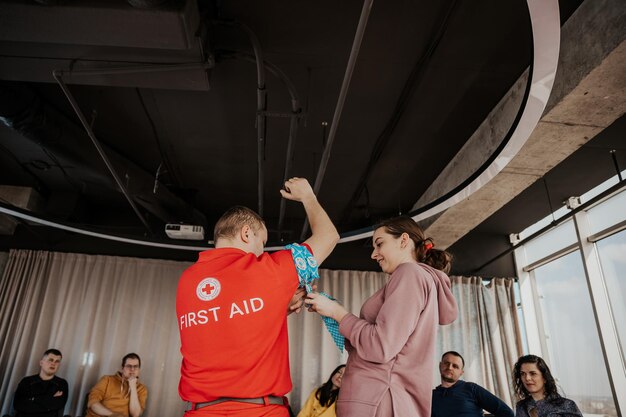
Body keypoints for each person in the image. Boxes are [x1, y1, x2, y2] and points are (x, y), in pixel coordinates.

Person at [177, 177, 339, 416]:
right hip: (259, 411)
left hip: (199, 411)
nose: (262, 251)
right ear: (245, 233)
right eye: (261, 242)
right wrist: (308, 196)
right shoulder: (268, 269)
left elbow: (223, 324)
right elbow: (329, 236)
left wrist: (274, 309)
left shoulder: (187, 280)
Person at [306, 216, 458, 417]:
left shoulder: (409, 273)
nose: (373, 254)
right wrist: (332, 312)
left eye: (379, 244)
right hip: (382, 398)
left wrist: (337, 312)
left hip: (378, 399)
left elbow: (380, 346)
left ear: (404, 240)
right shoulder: (416, 279)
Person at [431, 351, 514, 417]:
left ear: (461, 372)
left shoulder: (471, 388)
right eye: (446, 363)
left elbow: (506, 413)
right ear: (440, 365)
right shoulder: (431, 396)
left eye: (455, 366)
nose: (449, 367)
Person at [512, 355, 582, 417]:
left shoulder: (566, 405)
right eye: (523, 374)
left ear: (545, 378)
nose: (527, 378)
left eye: (533, 373)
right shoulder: (521, 407)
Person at [86, 353, 148, 417]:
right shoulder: (107, 380)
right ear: (122, 368)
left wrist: (133, 387)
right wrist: (113, 415)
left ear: (139, 369)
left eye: (136, 366)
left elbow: (135, 414)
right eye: (129, 366)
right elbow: (92, 403)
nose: (132, 369)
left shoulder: (142, 389)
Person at [13, 348, 68, 417]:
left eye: (57, 361)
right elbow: (18, 404)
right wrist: (50, 399)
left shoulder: (62, 383)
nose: (53, 363)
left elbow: (58, 405)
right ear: (41, 363)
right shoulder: (27, 381)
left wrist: (32, 399)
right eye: (50, 360)